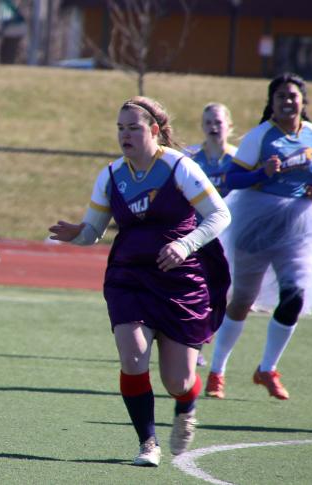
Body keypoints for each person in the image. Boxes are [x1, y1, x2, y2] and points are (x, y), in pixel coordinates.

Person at [48, 97, 231, 467]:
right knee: (132, 357)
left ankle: (186, 404)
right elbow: (94, 232)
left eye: (132, 127)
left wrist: (185, 244)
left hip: (180, 280)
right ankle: (148, 442)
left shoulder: (179, 166)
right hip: (129, 276)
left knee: (177, 381)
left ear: (153, 130)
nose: (124, 135)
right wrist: (77, 234)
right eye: (120, 128)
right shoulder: (111, 174)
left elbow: (219, 215)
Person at [205, 73, 312, 401]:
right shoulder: (260, 136)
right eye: (281, 96)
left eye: (293, 96)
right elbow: (233, 178)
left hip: (299, 223)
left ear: (303, 101)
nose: (288, 101)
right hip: (257, 223)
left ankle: (267, 368)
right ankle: (217, 370)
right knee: (241, 302)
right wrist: (259, 173)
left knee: (295, 294)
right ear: (272, 103)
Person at [183, 102, 237, 367]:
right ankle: (195, 343)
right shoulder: (191, 158)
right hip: (198, 236)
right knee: (197, 289)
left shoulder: (239, 160)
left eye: (218, 122)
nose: (213, 128)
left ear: (229, 125)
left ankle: (206, 339)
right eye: (208, 123)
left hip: (230, 237)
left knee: (222, 293)